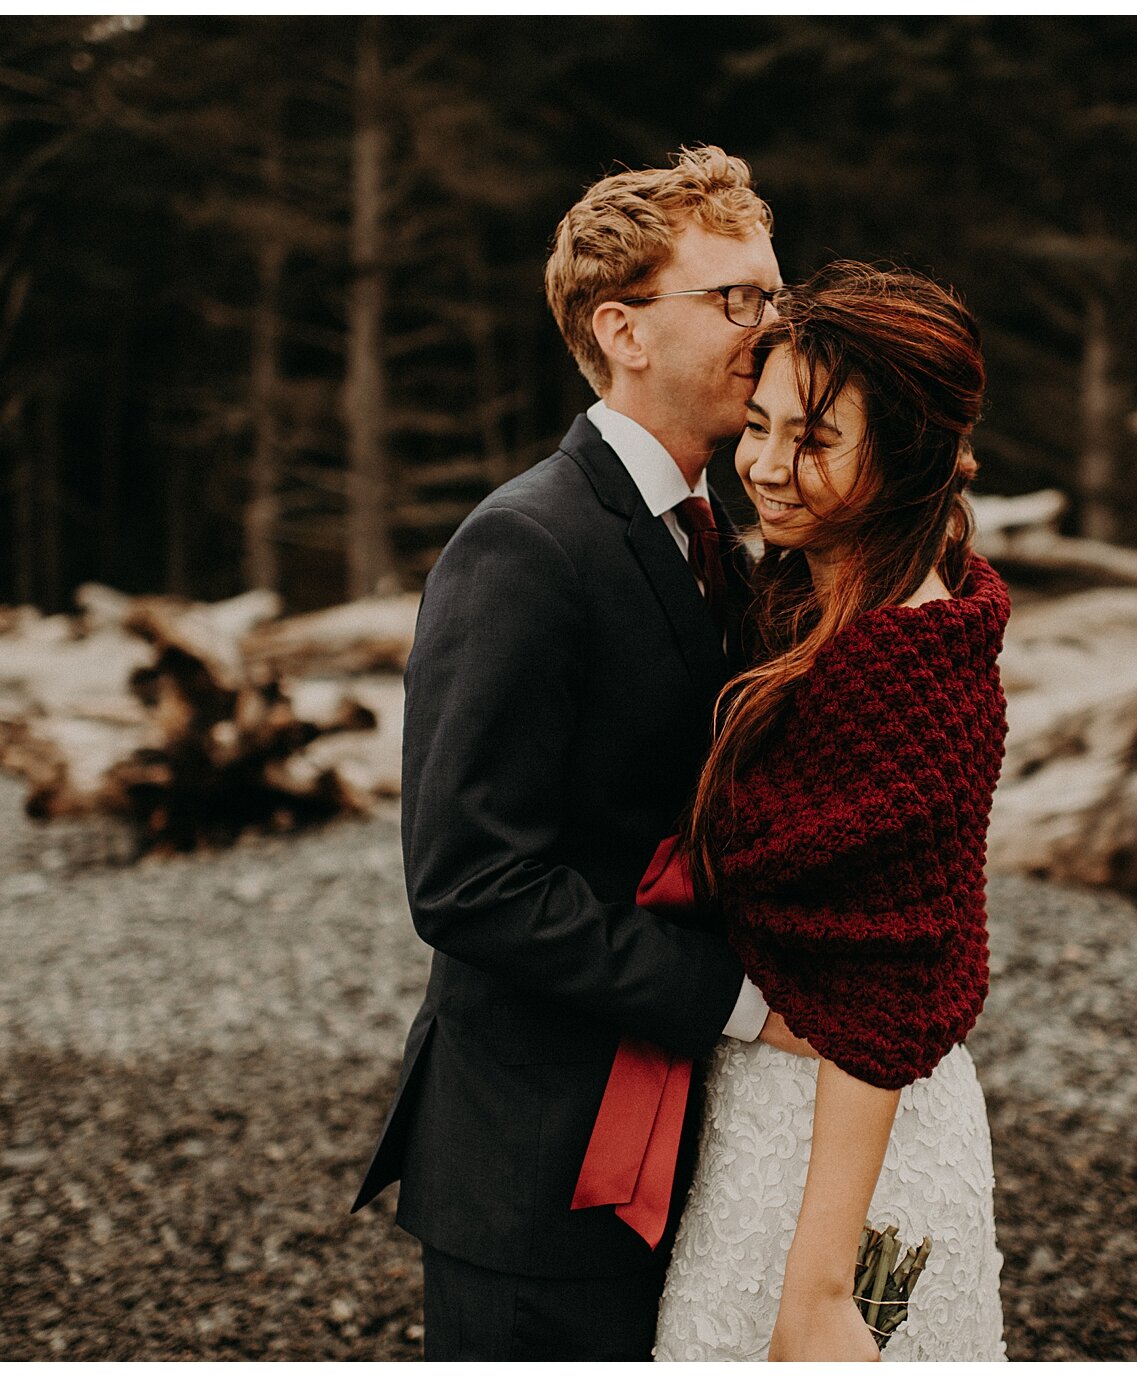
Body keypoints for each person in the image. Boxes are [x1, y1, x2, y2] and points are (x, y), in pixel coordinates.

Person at [346, 145, 813, 1361]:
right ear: (622, 331)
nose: (769, 330)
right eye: (733, 301)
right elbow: (466, 881)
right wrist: (738, 1002)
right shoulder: (524, 545)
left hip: (691, 1153)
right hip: (538, 1164)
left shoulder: (730, 544)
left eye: (774, 297)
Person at [649, 262, 1012, 1361]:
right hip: (762, 1108)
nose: (762, 466)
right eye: (755, 427)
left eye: (810, 440)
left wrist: (816, 1289)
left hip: (841, 1153)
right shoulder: (813, 591)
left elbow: (879, 996)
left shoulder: (900, 665)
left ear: (903, 456)